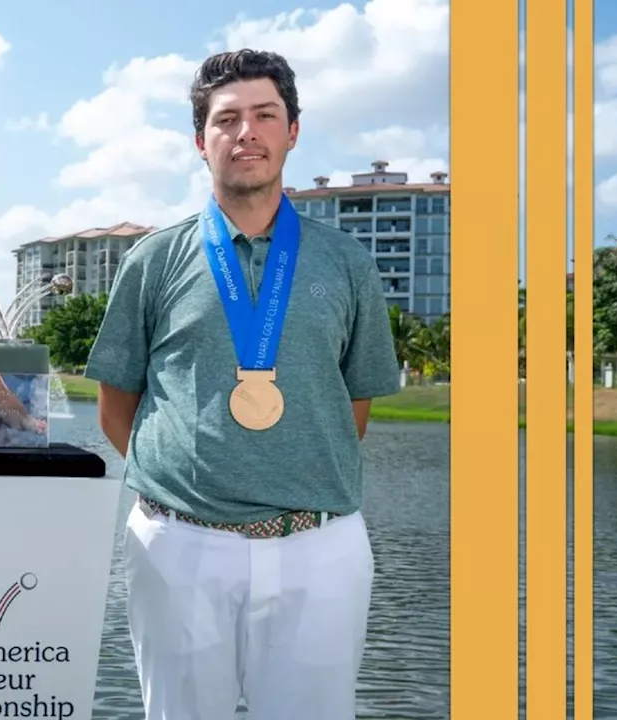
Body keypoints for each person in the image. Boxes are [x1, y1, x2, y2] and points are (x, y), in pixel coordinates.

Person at [84, 49, 401, 720]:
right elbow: (117, 406)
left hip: (320, 547)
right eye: (227, 120)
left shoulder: (347, 262)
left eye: (265, 115)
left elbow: (355, 404)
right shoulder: (154, 258)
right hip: (178, 545)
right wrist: (189, 488)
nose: (246, 133)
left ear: (293, 130)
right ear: (202, 142)